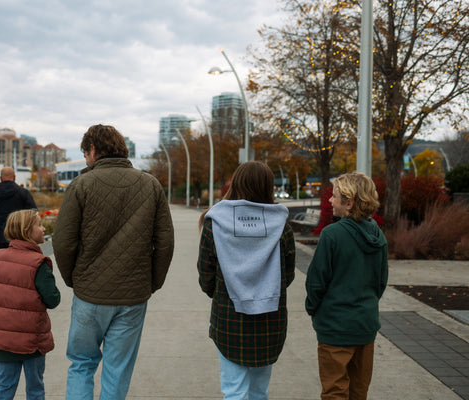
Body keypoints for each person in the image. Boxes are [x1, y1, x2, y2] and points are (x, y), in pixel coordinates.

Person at [53, 124, 174, 400]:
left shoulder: (80, 185)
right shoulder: (150, 184)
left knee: (82, 363)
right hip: (133, 295)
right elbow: (165, 242)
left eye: (85, 153)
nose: (85, 159)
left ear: (93, 150)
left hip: (90, 294)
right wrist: (151, 283)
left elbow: (63, 241)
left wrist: (74, 278)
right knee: (117, 369)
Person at [197, 161, 296, 400]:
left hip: (229, 316)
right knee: (259, 391)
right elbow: (288, 274)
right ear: (268, 187)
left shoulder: (215, 222)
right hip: (270, 317)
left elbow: (206, 273)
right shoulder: (281, 225)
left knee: (233, 391)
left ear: (237, 183)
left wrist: (224, 293)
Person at [305, 172, 388, 400]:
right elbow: (381, 282)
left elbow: (316, 282)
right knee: (358, 392)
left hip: (335, 329)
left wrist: (314, 309)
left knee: (334, 392)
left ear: (349, 203)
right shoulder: (378, 236)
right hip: (365, 326)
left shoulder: (331, 235)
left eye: (334, 196)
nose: (330, 200)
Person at [0, 209, 61, 400]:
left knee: (4, 387)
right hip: (32, 339)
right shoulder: (38, 262)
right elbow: (53, 299)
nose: (43, 228)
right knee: (35, 389)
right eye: (39, 225)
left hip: (3, 338)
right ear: (26, 231)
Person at [0, 167, 36, 256]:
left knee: (5, 266)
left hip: (2, 238)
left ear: (1, 178)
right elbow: (33, 216)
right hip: (21, 237)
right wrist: (34, 238)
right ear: (14, 177)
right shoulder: (23, 193)